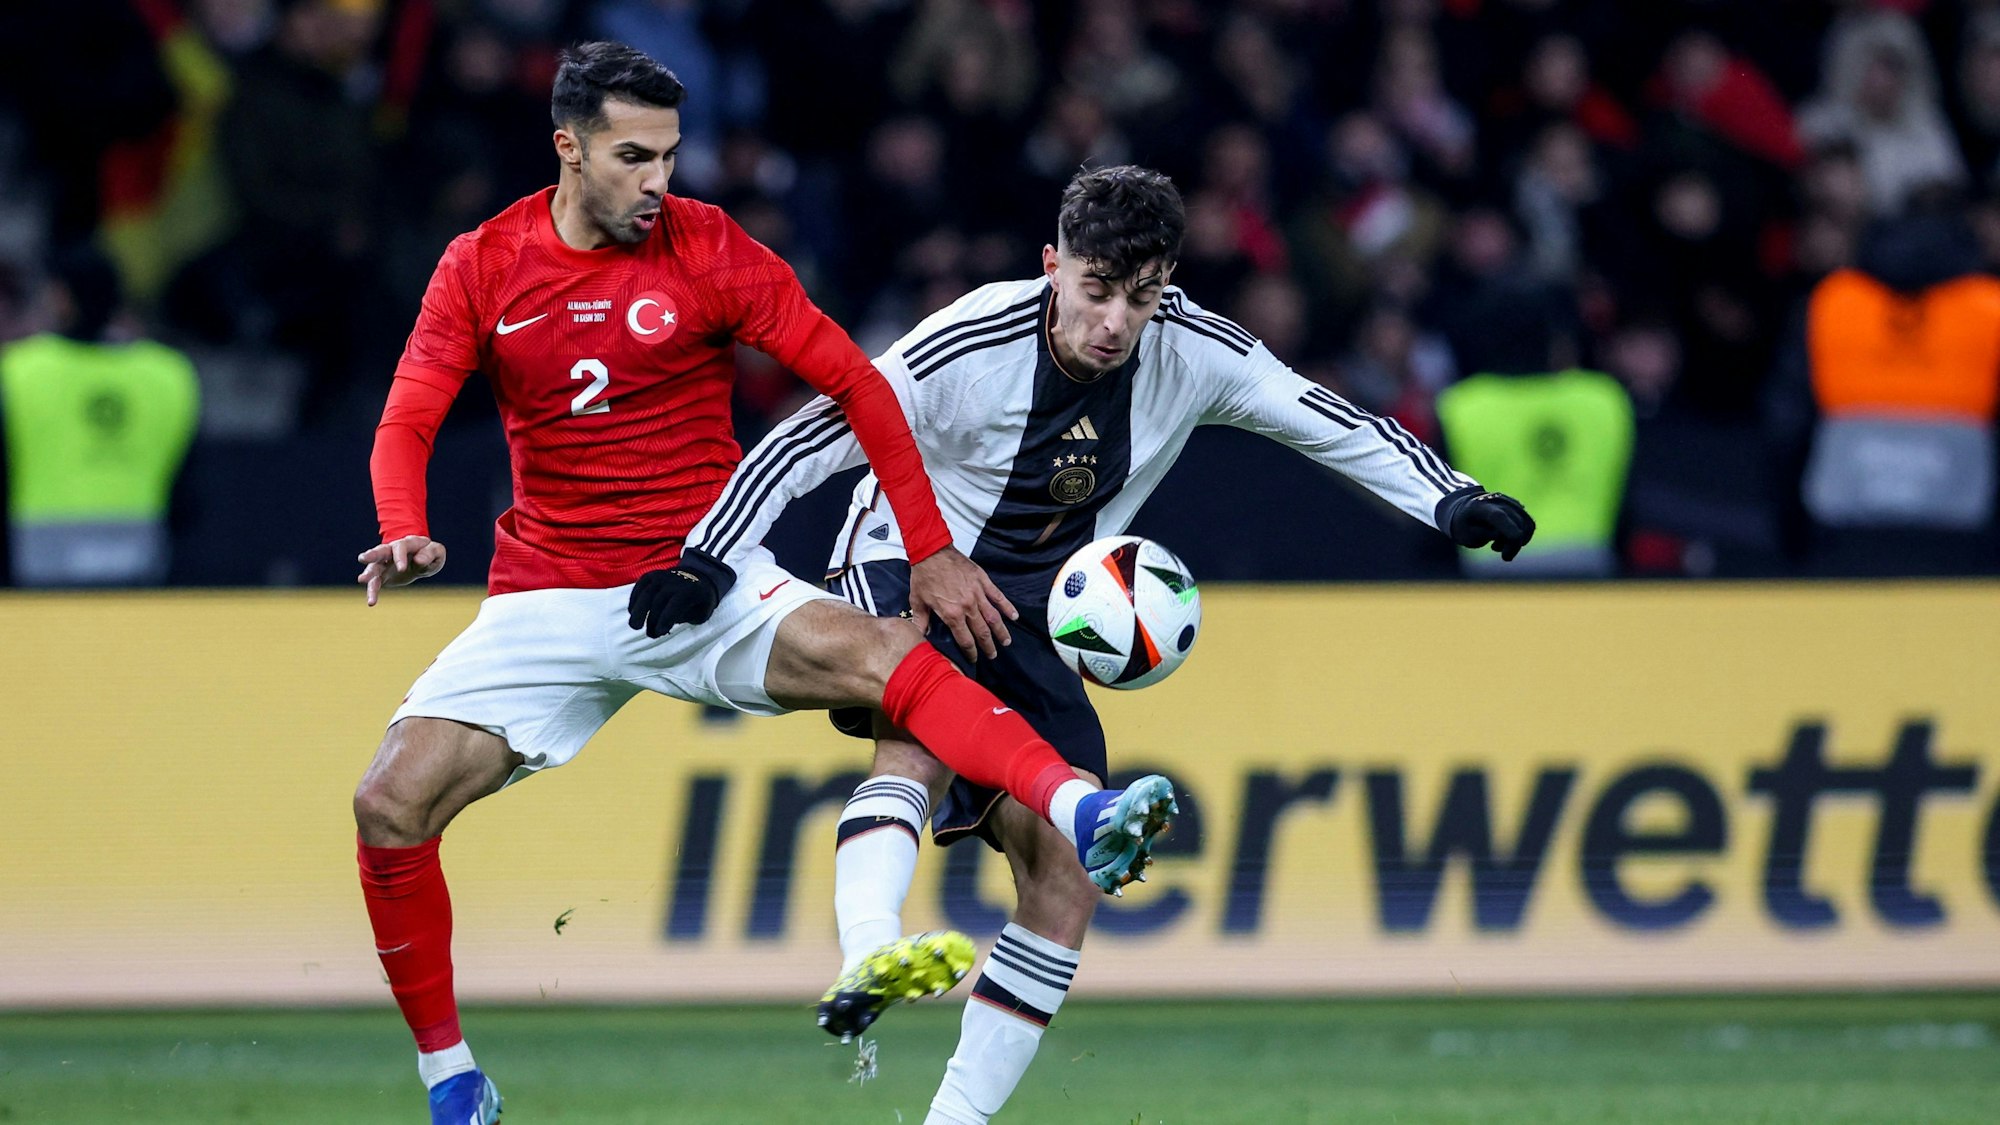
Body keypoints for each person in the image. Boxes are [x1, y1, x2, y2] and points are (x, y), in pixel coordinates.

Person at [352, 45, 1177, 1125]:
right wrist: (402, 529)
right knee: (389, 803)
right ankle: (452, 1080)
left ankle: (1084, 804)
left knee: (896, 660)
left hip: (706, 576)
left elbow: (857, 388)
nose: (658, 181)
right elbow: (409, 414)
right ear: (568, 149)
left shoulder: (710, 249)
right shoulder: (483, 263)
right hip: (546, 596)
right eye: (632, 156)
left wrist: (927, 551)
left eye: (670, 156)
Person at [664, 166, 1535, 1124]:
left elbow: (1319, 417)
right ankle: (869, 946)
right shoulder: (971, 340)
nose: (1117, 320)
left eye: (1141, 294)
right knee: (919, 732)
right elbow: (820, 431)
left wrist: (1446, 493)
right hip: (915, 557)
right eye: (1095, 289)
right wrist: (710, 552)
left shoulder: (1193, 348)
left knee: (1069, 875)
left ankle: (954, 1121)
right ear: (1053, 267)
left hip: (1043, 608)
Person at [0, 246, 199, 586]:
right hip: (141, 562)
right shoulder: (169, 374)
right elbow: (188, 494)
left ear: (61, 296)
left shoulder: (18, 372)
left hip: (40, 567)